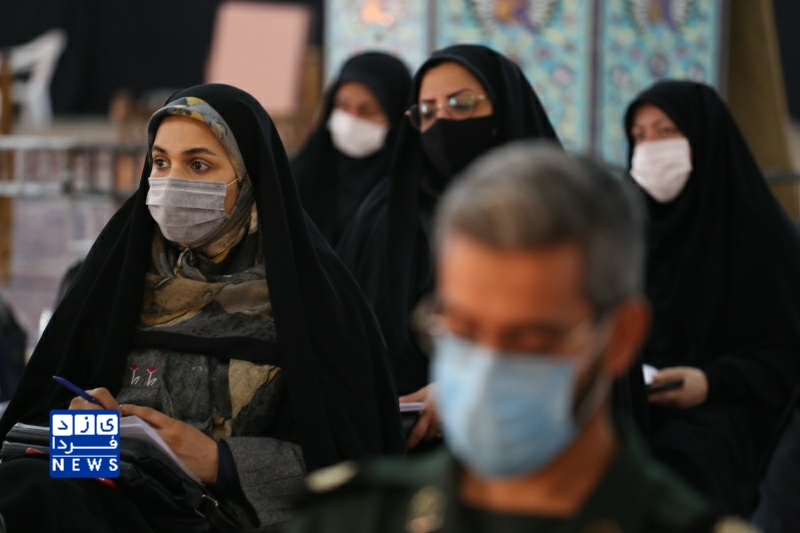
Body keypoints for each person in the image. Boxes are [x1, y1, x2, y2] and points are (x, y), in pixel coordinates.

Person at [287, 141, 754, 532]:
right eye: (461, 330)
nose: (485, 366)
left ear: (620, 338)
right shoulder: (348, 520)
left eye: (530, 341)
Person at [0, 84, 404, 532]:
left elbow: (357, 468)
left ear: (249, 176)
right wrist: (88, 435)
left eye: (198, 165)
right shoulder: (116, 281)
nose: (172, 182)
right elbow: (45, 437)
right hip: (108, 506)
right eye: (160, 163)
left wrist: (221, 462)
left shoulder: (314, 301)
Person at [336, 45, 560, 442]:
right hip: (399, 439)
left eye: (461, 104)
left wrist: (468, 387)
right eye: (427, 111)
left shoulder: (553, 211)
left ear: (502, 110)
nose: (442, 122)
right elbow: (347, 333)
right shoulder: (386, 213)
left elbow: (568, 336)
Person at [624, 80, 800, 515]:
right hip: (641, 403)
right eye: (639, 136)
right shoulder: (630, 236)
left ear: (705, 137)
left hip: (729, 407)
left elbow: (787, 355)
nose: (649, 149)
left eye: (666, 131)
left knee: (685, 458)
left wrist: (713, 382)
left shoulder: (761, 237)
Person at [291, 51, 411, 247]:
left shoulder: (409, 188)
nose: (351, 120)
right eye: (342, 106)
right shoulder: (303, 173)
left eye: (367, 111)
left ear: (396, 117)